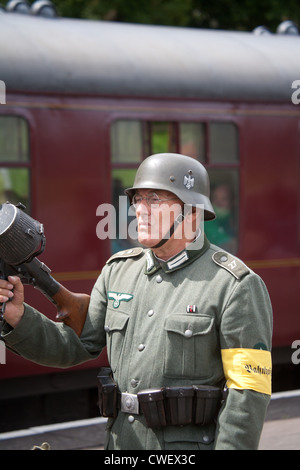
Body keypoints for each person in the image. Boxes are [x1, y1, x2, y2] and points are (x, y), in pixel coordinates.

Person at [0, 153, 272, 450]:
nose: (140, 210)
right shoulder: (119, 271)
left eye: (154, 200)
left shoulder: (234, 285)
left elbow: (248, 392)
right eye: (137, 200)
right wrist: (19, 316)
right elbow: (73, 346)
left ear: (192, 212)